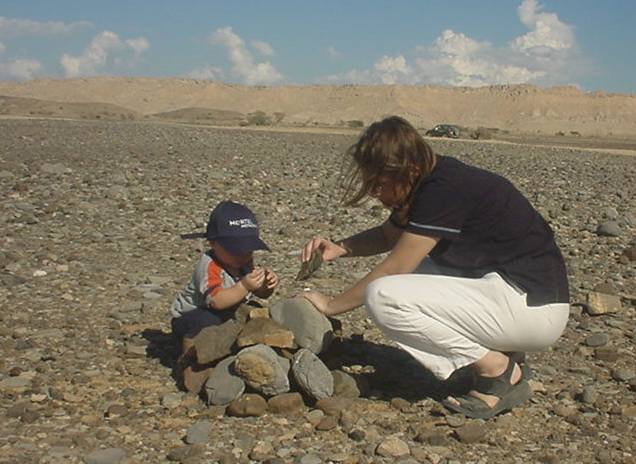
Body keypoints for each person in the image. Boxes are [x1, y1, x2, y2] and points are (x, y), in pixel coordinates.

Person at [300, 116, 570, 419]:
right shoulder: (429, 179)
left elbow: (394, 267)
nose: (375, 193)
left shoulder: (444, 189)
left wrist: (331, 306)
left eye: (379, 184)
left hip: (533, 310)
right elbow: (390, 235)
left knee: (383, 296)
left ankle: (498, 372)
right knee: (417, 273)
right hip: (513, 295)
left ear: (409, 170)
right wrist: (342, 247)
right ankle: (506, 352)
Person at [171, 200, 279, 392]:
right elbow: (217, 301)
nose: (242, 255)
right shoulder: (209, 265)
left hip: (227, 311)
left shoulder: (244, 262)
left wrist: (266, 285)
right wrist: (245, 284)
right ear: (213, 243)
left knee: (252, 309)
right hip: (192, 317)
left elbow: (259, 294)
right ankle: (191, 360)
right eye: (234, 249)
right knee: (208, 319)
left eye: (247, 250)